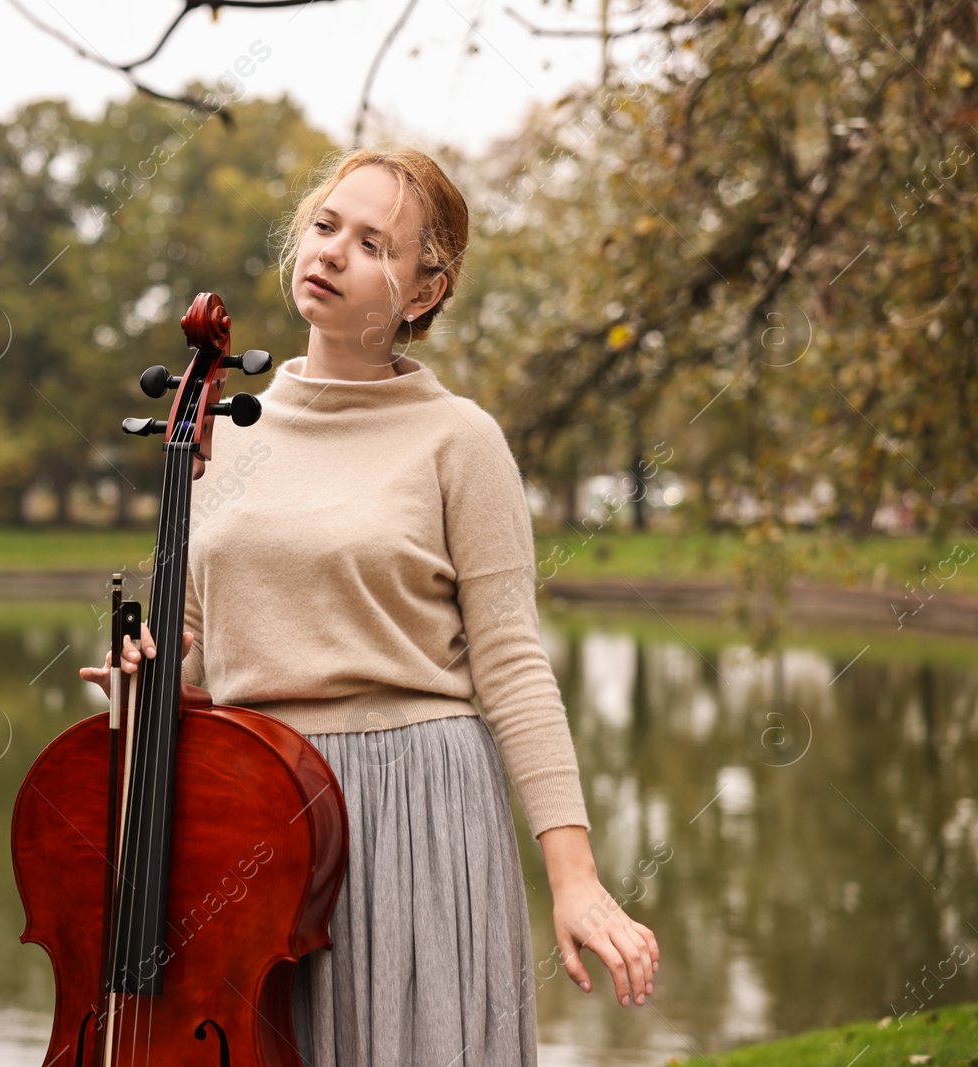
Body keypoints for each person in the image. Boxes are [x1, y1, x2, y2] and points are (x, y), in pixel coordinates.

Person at [80, 145, 659, 1066]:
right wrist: (139, 683)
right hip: (251, 814)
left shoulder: (459, 441)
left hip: (415, 809)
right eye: (324, 226)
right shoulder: (221, 440)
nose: (334, 251)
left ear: (423, 293)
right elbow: (191, 649)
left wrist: (576, 876)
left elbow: (510, 659)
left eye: (373, 242)